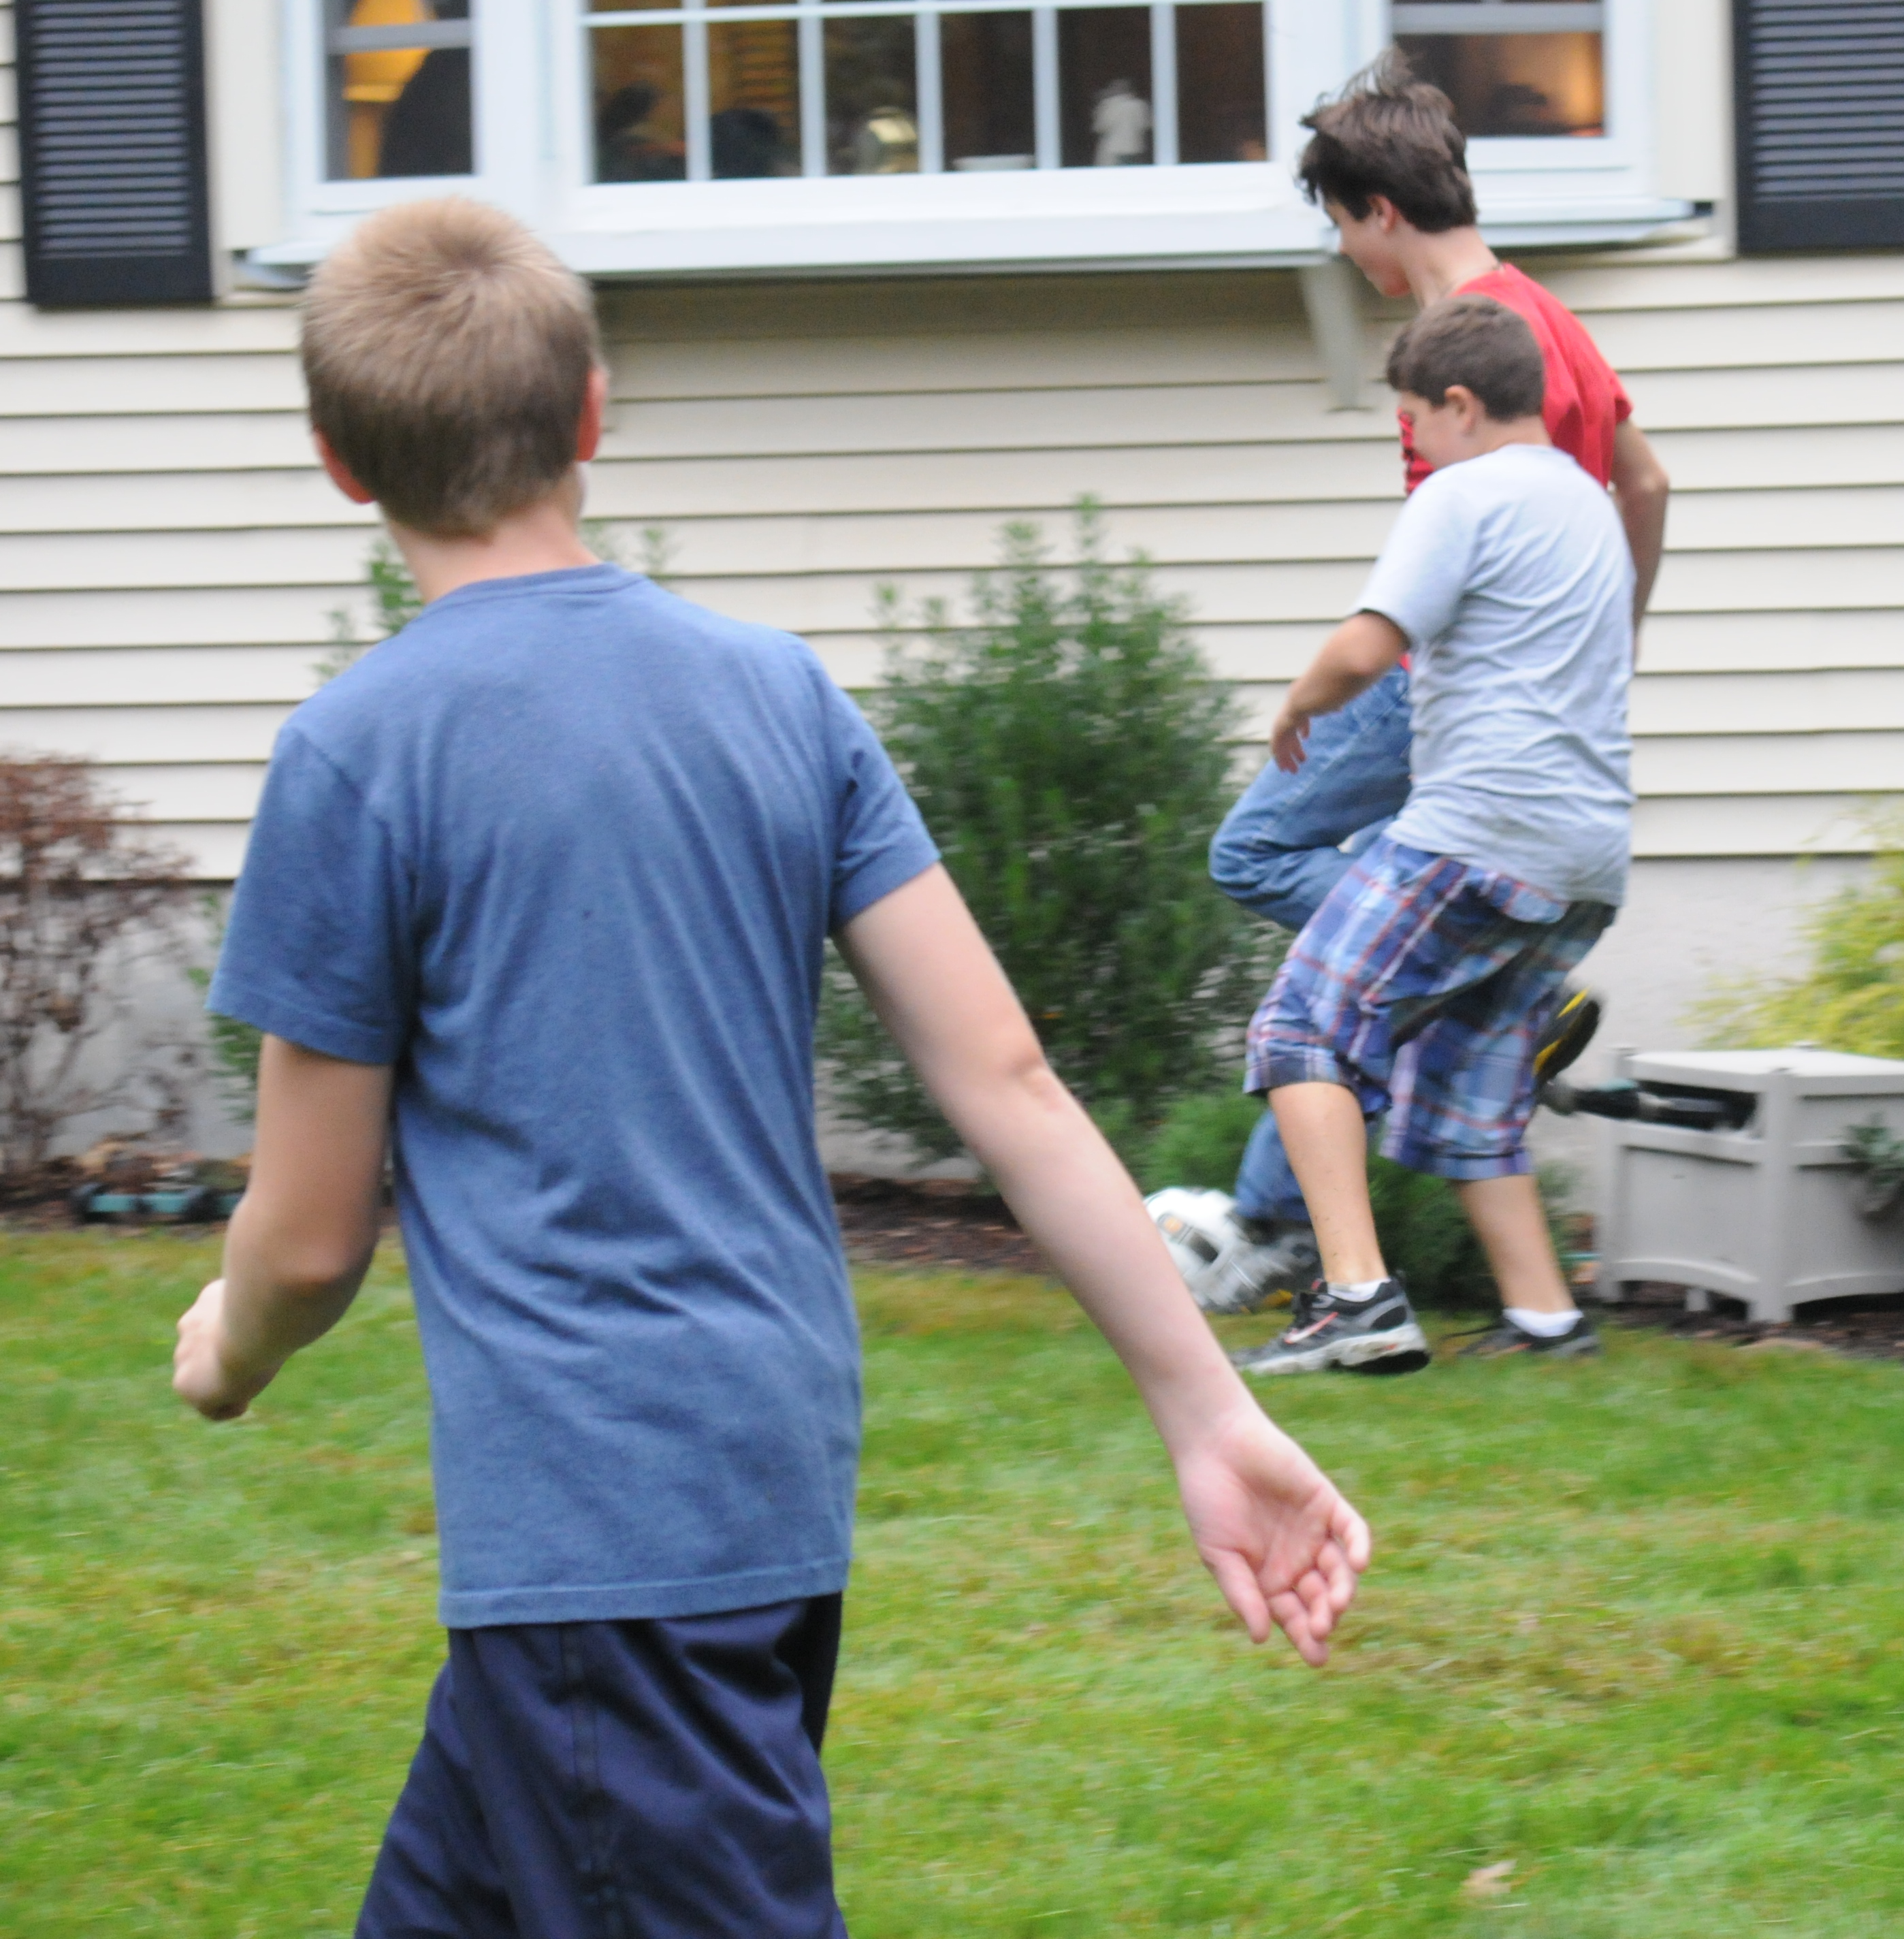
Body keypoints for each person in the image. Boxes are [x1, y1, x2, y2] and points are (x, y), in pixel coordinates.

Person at [171, 198, 1370, 1934]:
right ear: (592, 411)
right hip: (753, 1480)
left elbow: (302, 1237)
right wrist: (1206, 1403)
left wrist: (227, 1346)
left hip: (605, 1542)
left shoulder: (355, 756)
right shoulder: (778, 696)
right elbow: (1010, 1082)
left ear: (337, 460)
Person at [1184, 52, 1669, 1305]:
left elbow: (1419, 594)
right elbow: (1648, 482)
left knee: (1259, 857)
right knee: (1378, 955)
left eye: (1342, 225)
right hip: (1547, 702)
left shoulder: (1464, 351)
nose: (1346, 252)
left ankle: (1481, 996)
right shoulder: (1550, 318)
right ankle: (1285, 1219)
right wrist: (1609, 641)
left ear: (1382, 211)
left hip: (1451, 681)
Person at [1228, 294, 1635, 1377]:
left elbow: (1370, 648)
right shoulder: (1587, 503)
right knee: (1468, 1088)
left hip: (1479, 832)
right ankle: (1549, 1322)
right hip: (1588, 858)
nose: (1414, 445)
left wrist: (1297, 704)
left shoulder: (1464, 492)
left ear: (1459, 404)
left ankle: (1357, 1302)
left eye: (1412, 422)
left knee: (1301, 1029)